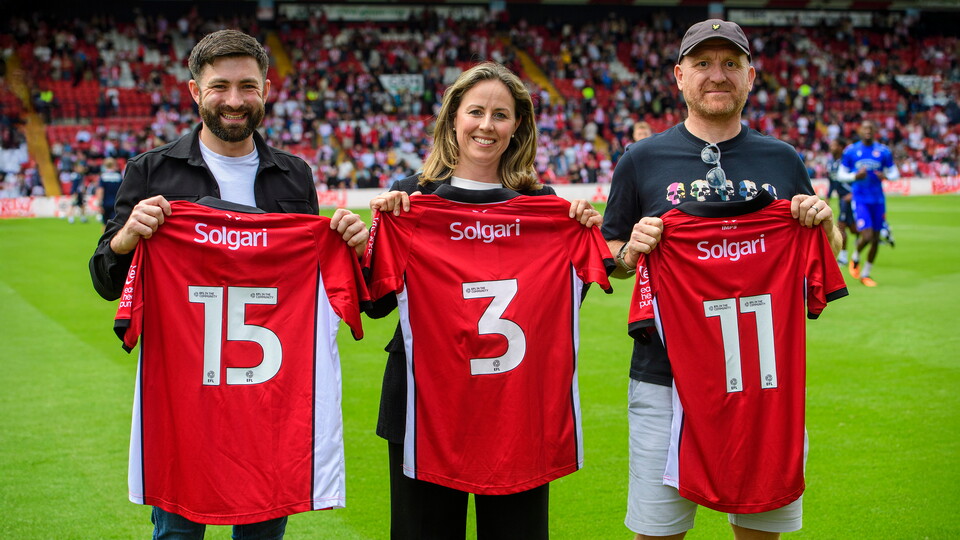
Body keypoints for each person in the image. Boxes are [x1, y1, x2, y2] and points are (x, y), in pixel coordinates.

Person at [88, 29, 368, 539]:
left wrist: (351, 245)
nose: (234, 100)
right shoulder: (151, 170)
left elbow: (320, 283)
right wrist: (128, 238)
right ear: (195, 91)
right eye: (220, 86)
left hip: (270, 400)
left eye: (248, 86)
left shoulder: (294, 176)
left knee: (263, 533)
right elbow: (107, 281)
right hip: (184, 401)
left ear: (266, 89)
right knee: (177, 534)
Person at [602, 19, 841, 540]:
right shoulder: (641, 159)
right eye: (704, 64)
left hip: (763, 381)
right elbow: (607, 255)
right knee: (656, 533)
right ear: (679, 76)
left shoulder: (782, 158)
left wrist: (824, 223)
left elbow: (824, 254)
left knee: (760, 531)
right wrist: (631, 250)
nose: (718, 75)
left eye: (731, 64)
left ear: (750, 77)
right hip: (664, 377)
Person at [365, 61, 604, 540]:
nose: (487, 125)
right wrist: (372, 237)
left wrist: (579, 230)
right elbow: (375, 304)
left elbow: (553, 307)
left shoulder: (545, 202)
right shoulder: (410, 198)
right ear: (454, 117)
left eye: (501, 114)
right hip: (422, 403)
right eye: (476, 111)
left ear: (518, 126)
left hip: (516, 401)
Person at [838, 119, 899, 287]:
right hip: (860, 199)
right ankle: (856, 255)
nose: (868, 130)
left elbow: (895, 172)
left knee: (876, 238)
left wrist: (886, 176)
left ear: (875, 130)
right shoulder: (851, 151)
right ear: (859, 130)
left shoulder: (883, 151)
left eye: (871, 128)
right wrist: (854, 176)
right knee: (867, 235)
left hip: (878, 199)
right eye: (865, 128)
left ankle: (866, 274)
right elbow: (840, 174)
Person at [826, 138, 858, 265]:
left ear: (840, 147)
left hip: (849, 198)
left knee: (841, 225)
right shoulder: (830, 162)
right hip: (841, 198)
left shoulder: (847, 162)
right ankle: (876, 233)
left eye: (834, 145)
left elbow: (857, 178)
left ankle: (843, 258)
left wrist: (853, 194)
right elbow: (832, 181)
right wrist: (828, 196)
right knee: (853, 228)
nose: (831, 147)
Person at [95, 157, 122, 230]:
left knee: (105, 224)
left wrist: (99, 203)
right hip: (116, 203)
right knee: (115, 223)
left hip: (106, 203)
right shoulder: (119, 176)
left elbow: (100, 191)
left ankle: (104, 240)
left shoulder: (103, 177)